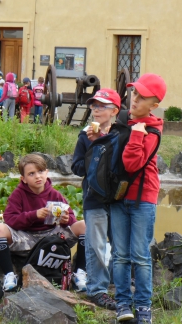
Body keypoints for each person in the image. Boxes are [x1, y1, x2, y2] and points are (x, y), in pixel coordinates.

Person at [111, 73, 165, 324]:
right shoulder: (123, 121)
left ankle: (143, 307)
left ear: (153, 105)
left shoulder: (152, 130)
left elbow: (133, 163)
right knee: (120, 255)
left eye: (142, 97)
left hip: (143, 198)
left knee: (140, 255)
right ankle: (123, 304)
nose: (134, 99)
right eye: (134, 93)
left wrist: (137, 133)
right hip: (119, 196)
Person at [0, 153, 88, 292]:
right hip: (26, 237)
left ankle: (79, 274)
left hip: (52, 238)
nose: (37, 176)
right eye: (31, 174)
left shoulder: (55, 194)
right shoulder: (18, 195)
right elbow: (10, 220)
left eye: (41, 171)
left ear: (47, 173)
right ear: (23, 179)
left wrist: (67, 220)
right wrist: (34, 215)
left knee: (84, 225)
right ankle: (9, 275)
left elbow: (71, 218)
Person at [71, 88, 120, 311]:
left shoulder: (121, 133)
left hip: (119, 197)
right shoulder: (85, 134)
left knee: (119, 244)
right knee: (97, 244)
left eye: (102, 106)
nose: (97, 110)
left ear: (114, 111)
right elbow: (77, 166)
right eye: (94, 106)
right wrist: (95, 152)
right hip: (94, 197)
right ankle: (97, 289)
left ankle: (117, 286)